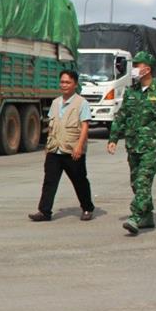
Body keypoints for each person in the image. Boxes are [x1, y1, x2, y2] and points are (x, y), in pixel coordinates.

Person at [107, 51, 156, 235]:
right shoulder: (131, 91)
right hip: (133, 145)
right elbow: (122, 116)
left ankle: (136, 217)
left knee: (143, 181)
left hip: (152, 146)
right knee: (136, 183)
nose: (135, 69)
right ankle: (147, 216)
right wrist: (113, 138)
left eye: (137, 66)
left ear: (147, 69)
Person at [28, 69, 95, 222]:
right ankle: (44, 211)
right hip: (55, 149)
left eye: (68, 82)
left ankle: (87, 208)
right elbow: (52, 126)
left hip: (72, 150)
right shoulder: (55, 103)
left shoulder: (81, 103)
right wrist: (47, 145)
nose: (64, 85)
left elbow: (85, 126)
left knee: (79, 180)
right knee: (49, 181)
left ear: (75, 84)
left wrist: (79, 146)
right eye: (62, 82)